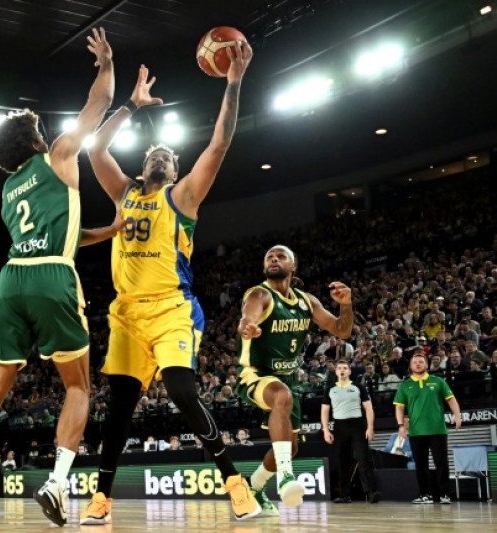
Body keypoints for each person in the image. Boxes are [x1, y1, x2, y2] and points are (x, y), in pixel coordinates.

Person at [0, 27, 117, 530]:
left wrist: (110, 230)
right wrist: (105, 64)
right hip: (54, 276)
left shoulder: (9, 189)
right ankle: (56, 483)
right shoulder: (57, 156)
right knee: (78, 388)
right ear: (35, 139)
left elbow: (64, 232)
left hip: (10, 282)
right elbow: (99, 103)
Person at [79, 40, 260, 526]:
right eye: (155, 153)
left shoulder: (183, 199)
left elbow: (219, 143)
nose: (162, 156)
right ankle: (102, 498)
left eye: (170, 157)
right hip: (126, 313)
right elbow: (95, 147)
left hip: (171, 309)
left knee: (181, 390)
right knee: (118, 407)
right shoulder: (123, 192)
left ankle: (234, 482)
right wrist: (130, 106)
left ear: (176, 172)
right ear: (143, 166)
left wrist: (235, 84)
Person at [236, 245, 353, 513]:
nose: (273, 259)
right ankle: (286, 479)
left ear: (294, 265)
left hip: (286, 379)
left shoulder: (306, 301)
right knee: (281, 395)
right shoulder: (259, 294)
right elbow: (245, 319)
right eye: (269, 257)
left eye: (280, 256)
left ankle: (251, 488)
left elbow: (342, 330)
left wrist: (346, 305)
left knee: (291, 448)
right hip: (255, 374)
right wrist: (248, 327)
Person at [393, 352, 462, 504]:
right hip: (416, 431)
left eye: (421, 362)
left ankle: (445, 494)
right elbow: (399, 408)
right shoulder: (404, 385)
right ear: (411, 366)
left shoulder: (438, 381)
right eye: (415, 362)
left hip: (437, 429)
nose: (418, 364)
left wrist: (457, 415)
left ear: (426, 365)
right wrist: (400, 426)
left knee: (441, 463)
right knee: (421, 464)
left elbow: (451, 400)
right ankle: (425, 495)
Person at [321, 360, 381, 503]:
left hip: (357, 424)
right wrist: (326, 430)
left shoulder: (358, 387)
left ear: (349, 371)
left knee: (363, 458)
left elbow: (368, 408)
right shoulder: (330, 389)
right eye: (339, 368)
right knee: (342, 461)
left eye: (345, 368)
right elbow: (324, 411)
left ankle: (371, 493)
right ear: (335, 371)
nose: (342, 370)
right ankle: (344, 495)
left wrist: (370, 427)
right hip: (339, 426)